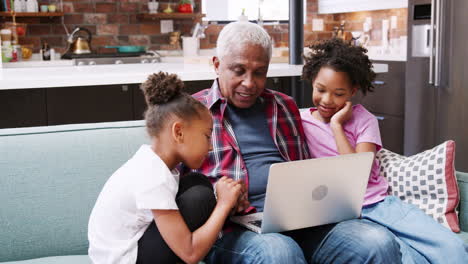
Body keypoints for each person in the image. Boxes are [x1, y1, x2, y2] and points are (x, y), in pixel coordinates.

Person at [191, 21, 403, 264]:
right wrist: (219, 198)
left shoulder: (284, 106)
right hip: (235, 229)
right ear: (217, 65)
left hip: (302, 221)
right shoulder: (193, 113)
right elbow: (173, 187)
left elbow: (309, 166)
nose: (249, 83)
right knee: (279, 252)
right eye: (239, 71)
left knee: (378, 243)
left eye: (259, 72)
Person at [301, 38, 468, 263]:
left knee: (453, 248)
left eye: (338, 94)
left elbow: (357, 172)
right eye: (320, 90)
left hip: (380, 204)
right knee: (403, 257)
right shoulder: (299, 121)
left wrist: (337, 126)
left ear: (353, 90)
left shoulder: (364, 120)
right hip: (345, 214)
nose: (327, 100)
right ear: (312, 81)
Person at [88, 72, 243, 264]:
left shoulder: (154, 165)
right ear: (178, 132)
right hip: (127, 259)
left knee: (198, 182)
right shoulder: (152, 176)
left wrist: (226, 200)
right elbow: (191, 254)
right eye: (206, 135)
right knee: (200, 197)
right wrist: (223, 204)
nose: (211, 146)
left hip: (138, 246)